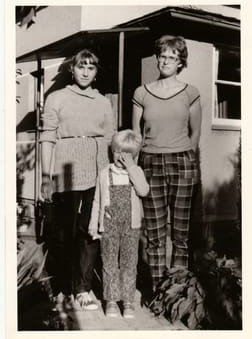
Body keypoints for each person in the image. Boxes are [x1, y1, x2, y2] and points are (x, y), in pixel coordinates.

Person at [40, 49, 114, 311]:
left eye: (91, 67)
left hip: (96, 170)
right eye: (81, 66)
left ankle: (82, 289)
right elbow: (48, 137)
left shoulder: (103, 102)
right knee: (63, 232)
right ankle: (62, 287)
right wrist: (46, 177)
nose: (85, 72)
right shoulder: (56, 98)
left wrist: (110, 178)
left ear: (96, 72)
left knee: (90, 230)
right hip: (65, 170)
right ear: (72, 69)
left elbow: (109, 139)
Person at [132, 35, 202, 293]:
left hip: (182, 163)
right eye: (162, 56)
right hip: (150, 162)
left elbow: (195, 133)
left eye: (172, 57)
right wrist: (133, 168)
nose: (166, 61)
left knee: (181, 234)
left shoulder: (190, 92)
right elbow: (136, 135)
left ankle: (178, 291)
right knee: (155, 234)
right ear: (157, 58)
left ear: (180, 62)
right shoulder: (141, 92)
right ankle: (157, 291)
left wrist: (187, 157)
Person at [89, 130, 149, 318]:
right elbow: (97, 201)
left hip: (131, 227)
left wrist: (131, 168)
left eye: (126, 154)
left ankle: (128, 301)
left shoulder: (136, 172)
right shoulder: (105, 173)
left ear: (134, 156)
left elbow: (144, 190)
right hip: (109, 225)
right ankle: (112, 301)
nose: (120, 157)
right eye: (117, 152)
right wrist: (93, 225)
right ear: (112, 151)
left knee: (130, 263)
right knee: (109, 263)